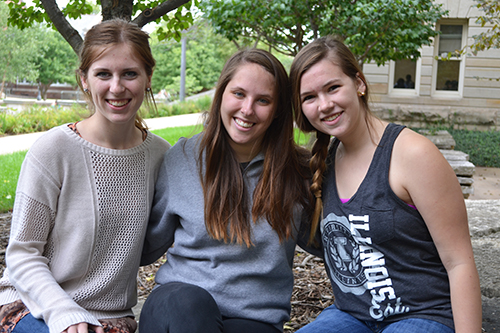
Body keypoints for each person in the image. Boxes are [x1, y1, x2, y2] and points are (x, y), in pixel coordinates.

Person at [289, 36, 481, 332]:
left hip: (423, 314)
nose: (324, 105)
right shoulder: (324, 163)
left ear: (359, 83)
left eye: (333, 88)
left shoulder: (413, 155)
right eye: (309, 97)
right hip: (351, 316)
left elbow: (459, 263)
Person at [0, 19, 170, 333]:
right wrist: (64, 312)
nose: (116, 87)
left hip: (111, 316)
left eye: (130, 73)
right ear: (84, 80)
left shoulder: (161, 156)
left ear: (148, 78)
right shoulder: (53, 150)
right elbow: (22, 254)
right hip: (33, 305)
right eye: (103, 73)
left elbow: (150, 246)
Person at [140, 48, 316, 333]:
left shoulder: (297, 173)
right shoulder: (183, 158)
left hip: (254, 319)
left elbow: (336, 242)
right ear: (221, 94)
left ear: (277, 111)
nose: (247, 109)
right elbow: (145, 245)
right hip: (178, 307)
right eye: (238, 94)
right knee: (189, 306)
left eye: (263, 100)